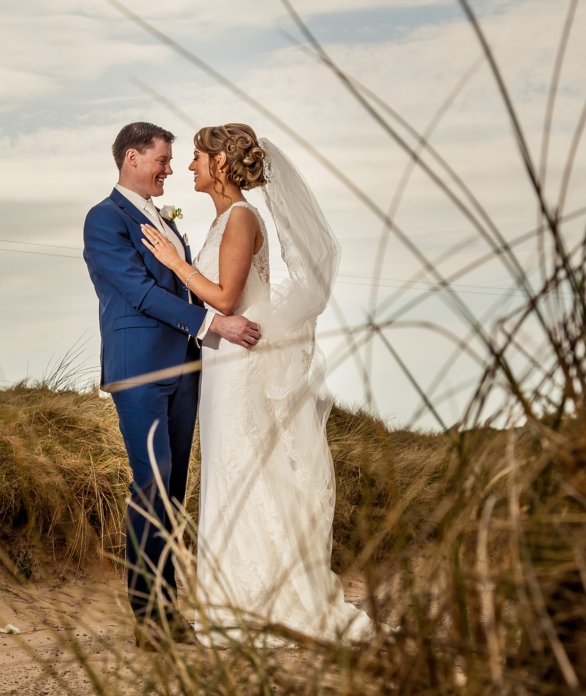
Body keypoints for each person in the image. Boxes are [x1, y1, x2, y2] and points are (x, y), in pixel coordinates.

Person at [140, 123, 387, 645]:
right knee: (234, 467)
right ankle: (233, 593)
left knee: (240, 466)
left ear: (221, 166)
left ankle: (255, 600)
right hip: (225, 359)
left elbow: (227, 300)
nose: (190, 167)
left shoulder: (241, 219)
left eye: (198, 158)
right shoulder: (225, 222)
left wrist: (174, 263)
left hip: (238, 363)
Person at [82, 122, 261, 651]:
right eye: (161, 159)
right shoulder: (104, 219)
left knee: (173, 492)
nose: (169, 170)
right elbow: (137, 292)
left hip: (184, 369)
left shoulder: (165, 221)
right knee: (152, 485)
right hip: (139, 368)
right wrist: (213, 324)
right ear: (132, 157)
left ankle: (167, 604)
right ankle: (147, 616)